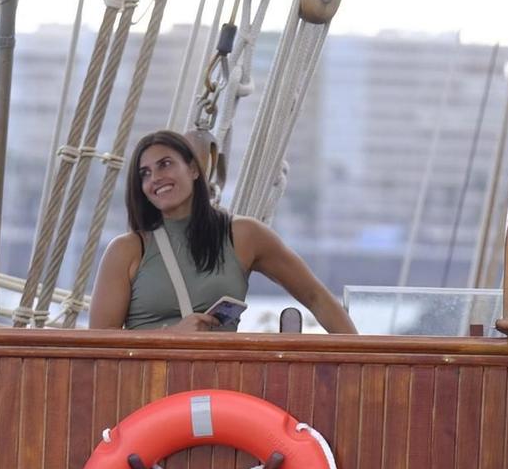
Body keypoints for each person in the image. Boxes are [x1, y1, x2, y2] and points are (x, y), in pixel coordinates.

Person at [88, 130, 357, 334]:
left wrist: (361, 359)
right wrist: (171, 336)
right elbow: (99, 344)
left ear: (193, 169)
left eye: (165, 164)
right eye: (144, 173)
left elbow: (316, 297)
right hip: (149, 390)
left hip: (218, 390)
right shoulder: (127, 250)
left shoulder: (244, 235)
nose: (155, 178)